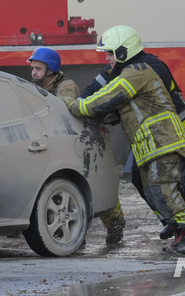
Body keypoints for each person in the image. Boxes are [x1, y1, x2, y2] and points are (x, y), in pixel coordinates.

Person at [66, 25, 185, 254]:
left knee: (163, 191)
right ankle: (181, 235)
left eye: (110, 54)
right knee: (153, 192)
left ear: (122, 52)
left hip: (162, 143)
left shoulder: (137, 72)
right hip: (151, 146)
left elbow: (104, 98)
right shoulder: (132, 72)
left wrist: (72, 105)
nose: (108, 59)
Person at [28, 46, 127, 244]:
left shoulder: (66, 86)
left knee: (96, 185)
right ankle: (75, 234)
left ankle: (116, 224)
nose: (33, 72)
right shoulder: (36, 88)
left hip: (81, 142)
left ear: (51, 70)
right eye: (33, 68)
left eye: (38, 68)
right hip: (55, 141)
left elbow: (62, 109)